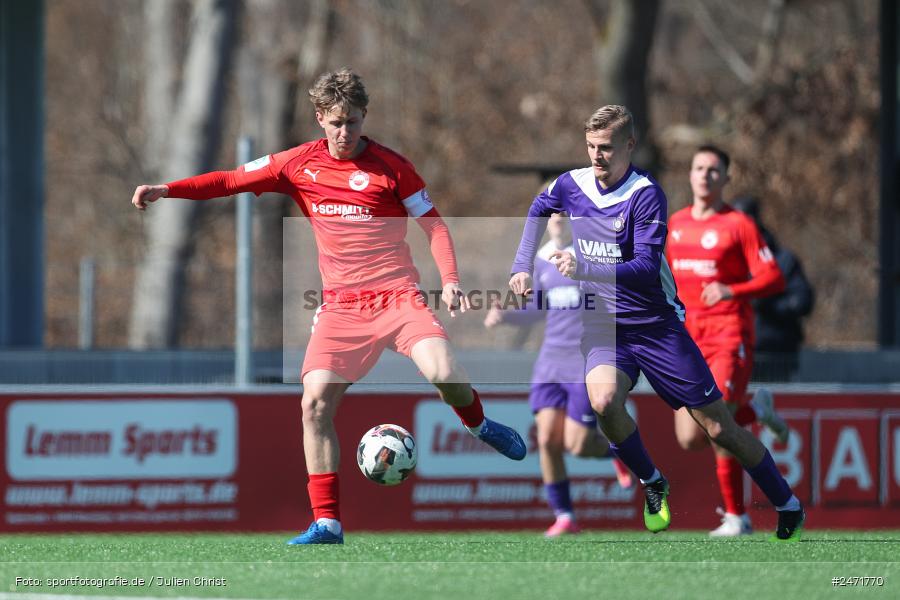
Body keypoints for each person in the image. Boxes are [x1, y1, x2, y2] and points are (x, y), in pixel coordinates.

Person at [131, 68, 527, 545]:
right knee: (314, 404)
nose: (345, 132)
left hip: (397, 297)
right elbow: (231, 180)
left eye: (353, 122)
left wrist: (451, 280)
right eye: (336, 122)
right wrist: (168, 189)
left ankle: (479, 425)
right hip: (341, 307)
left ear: (364, 117)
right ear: (320, 117)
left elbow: (435, 226)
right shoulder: (297, 163)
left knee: (443, 370)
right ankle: (327, 523)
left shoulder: (392, 167)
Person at [508, 105, 805, 541]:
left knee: (718, 427)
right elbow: (539, 207)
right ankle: (652, 481)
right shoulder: (572, 184)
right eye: (590, 146)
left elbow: (645, 269)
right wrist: (521, 266)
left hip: (655, 327)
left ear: (629, 145)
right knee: (604, 402)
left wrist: (585, 267)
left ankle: (786, 502)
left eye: (606, 147)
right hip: (605, 327)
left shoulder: (646, 194)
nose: (597, 156)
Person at [666, 146, 792, 537]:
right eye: (699, 168)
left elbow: (774, 278)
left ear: (726, 178)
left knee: (719, 425)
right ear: (690, 174)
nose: (705, 175)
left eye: (713, 169)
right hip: (687, 341)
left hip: (728, 335)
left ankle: (737, 517)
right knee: (691, 437)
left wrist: (731, 290)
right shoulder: (675, 224)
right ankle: (758, 409)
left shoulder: (739, 224)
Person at [485, 212, 633, 537]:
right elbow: (538, 307)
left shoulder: (592, 255)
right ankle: (564, 516)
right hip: (550, 361)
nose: (558, 218)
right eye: (551, 213)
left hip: (583, 360)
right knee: (547, 441)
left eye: (564, 212)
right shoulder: (541, 259)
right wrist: (506, 315)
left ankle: (619, 451)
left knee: (577, 445)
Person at [732, 195, 815, 380]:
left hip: (774, 354)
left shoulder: (782, 260)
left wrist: (768, 305)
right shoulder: (723, 260)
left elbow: (803, 301)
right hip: (732, 353)